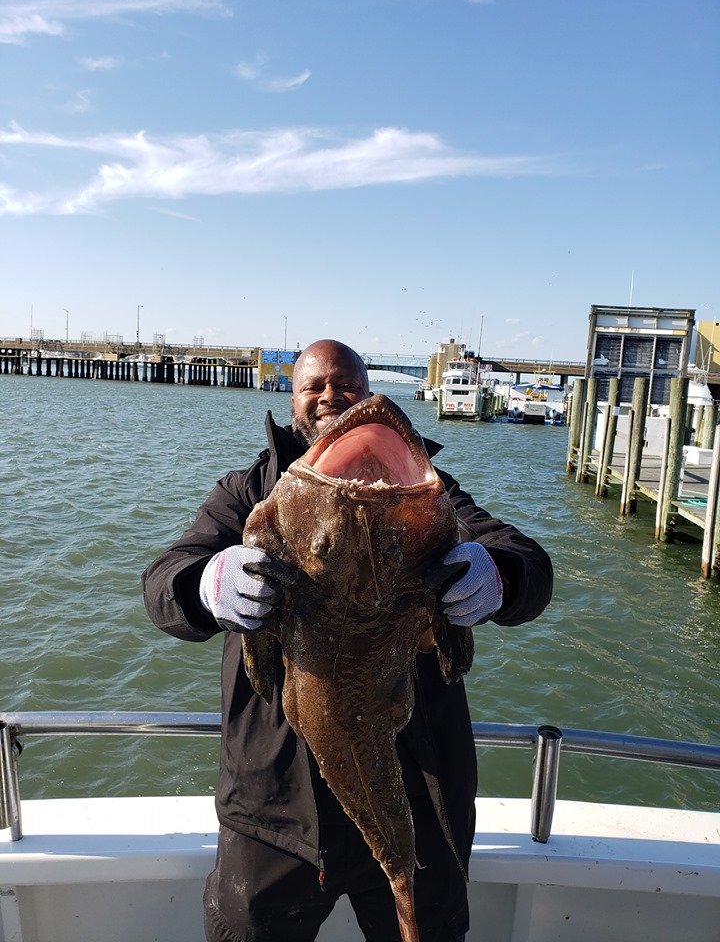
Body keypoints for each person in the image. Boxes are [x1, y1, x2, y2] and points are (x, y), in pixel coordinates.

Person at [142, 339, 553, 942]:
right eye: (315, 387)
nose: (332, 397)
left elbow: (527, 562)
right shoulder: (249, 491)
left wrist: (502, 576)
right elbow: (162, 583)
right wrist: (205, 584)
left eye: (348, 387)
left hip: (418, 796)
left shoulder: (427, 495)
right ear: (293, 403)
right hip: (275, 810)